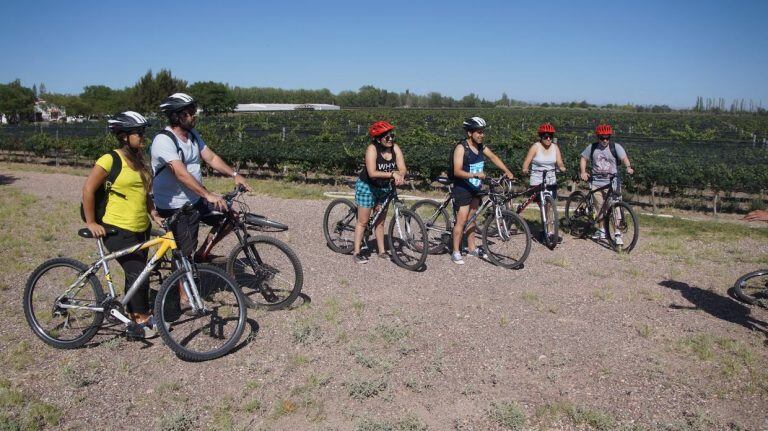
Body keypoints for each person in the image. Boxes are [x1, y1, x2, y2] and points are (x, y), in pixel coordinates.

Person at [82, 111, 162, 337]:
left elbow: (144, 193)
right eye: (139, 132)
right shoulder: (110, 159)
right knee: (138, 273)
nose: (143, 136)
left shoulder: (140, 160)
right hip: (116, 228)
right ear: (124, 136)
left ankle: (132, 314)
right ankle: (141, 318)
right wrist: (90, 222)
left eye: (143, 131)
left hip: (140, 227)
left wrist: (153, 213)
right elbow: (88, 189)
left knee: (137, 272)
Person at [150, 93, 251, 259]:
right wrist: (207, 195)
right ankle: (181, 280)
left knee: (230, 217)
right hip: (176, 206)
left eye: (193, 111)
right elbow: (181, 174)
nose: (194, 115)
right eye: (189, 113)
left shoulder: (192, 135)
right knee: (184, 257)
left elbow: (210, 157)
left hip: (195, 198)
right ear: (176, 117)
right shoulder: (163, 140)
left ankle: (202, 254)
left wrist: (234, 174)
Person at [450, 117, 514, 265]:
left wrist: (507, 171)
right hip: (463, 188)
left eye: (482, 132)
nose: (481, 135)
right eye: (479, 132)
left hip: (475, 187)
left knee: (473, 219)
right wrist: (474, 175)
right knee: (462, 220)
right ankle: (455, 251)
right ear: (469, 133)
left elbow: (493, 157)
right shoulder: (461, 148)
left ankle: (472, 248)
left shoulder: (480, 147)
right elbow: (457, 171)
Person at [352, 121, 407, 263]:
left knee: (380, 221)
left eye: (392, 136)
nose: (391, 139)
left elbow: (402, 167)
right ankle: (357, 252)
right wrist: (392, 175)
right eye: (387, 137)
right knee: (363, 221)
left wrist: (400, 175)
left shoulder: (395, 148)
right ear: (378, 139)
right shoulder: (372, 149)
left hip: (384, 188)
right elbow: (372, 172)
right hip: (367, 186)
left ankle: (381, 251)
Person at [579, 124, 634, 245]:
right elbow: (583, 158)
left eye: (607, 138)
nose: (605, 140)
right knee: (600, 208)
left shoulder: (616, 147)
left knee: (615, 207)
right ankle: (601, 230)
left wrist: (628, 167)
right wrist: (583, 171)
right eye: (602, 138)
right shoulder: (592, 147)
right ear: (598, 137)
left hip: (612, 182)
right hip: (597, 182)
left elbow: (624, 158)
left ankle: (617, 234)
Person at [522, 123, 566, 241]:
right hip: (537, 180)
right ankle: (545, 230)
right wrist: (525, 169)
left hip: (551, 180)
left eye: (550, 136)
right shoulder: (535, 147)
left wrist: (562, 167)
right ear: (541, 137)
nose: (548, 139)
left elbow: (559, 162)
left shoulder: (555, 147)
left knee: (550, 206)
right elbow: (526, 162)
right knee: (543, 206)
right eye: (545, 136)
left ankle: (549, 231)